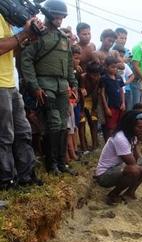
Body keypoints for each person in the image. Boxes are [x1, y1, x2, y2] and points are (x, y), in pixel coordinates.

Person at [21, 0, 78, 176]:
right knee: (53, 123)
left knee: (62, 124)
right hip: (45, 84)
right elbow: (26, 60)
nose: (59, 20)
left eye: (62, 17)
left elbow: (69, 64)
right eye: (56, 16)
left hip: (62, 86)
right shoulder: (38, 36)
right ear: (47, 15)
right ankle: (51, 163)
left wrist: (73, 83)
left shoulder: (63, 39)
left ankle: (61, 163)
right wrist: (35, 86)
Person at [0, 13, 43, 189]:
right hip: (1, 85)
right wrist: (23, 33)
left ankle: (26, 175)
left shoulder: (7, 19)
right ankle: (6, 180)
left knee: (23, 132)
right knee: (5, 136)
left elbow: (12, 50)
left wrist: (30, 36)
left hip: (10, 84)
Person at [95, 111, 142, 205]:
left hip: (117, 168)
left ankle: (130, 192)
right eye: (139, 127)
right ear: (130, 126)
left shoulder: (131, 136)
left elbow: (138, 158)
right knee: (134, 170)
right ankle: (113, 195)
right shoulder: (120, 138)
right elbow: (134, 165)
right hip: (104, 175)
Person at [100, 56, 125, 140]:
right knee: (110, 127)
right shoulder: (104, 78)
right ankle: (109, 143)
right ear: (106, 67)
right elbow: (102, 93)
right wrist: (106, 108)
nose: (115, 69)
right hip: (110, 106)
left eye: (116, 67)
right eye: (112, 67)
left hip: (120, 105)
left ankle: (117, 142)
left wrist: (123, 103)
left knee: (119, 125)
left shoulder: (119, 77)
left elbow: (122, 91)